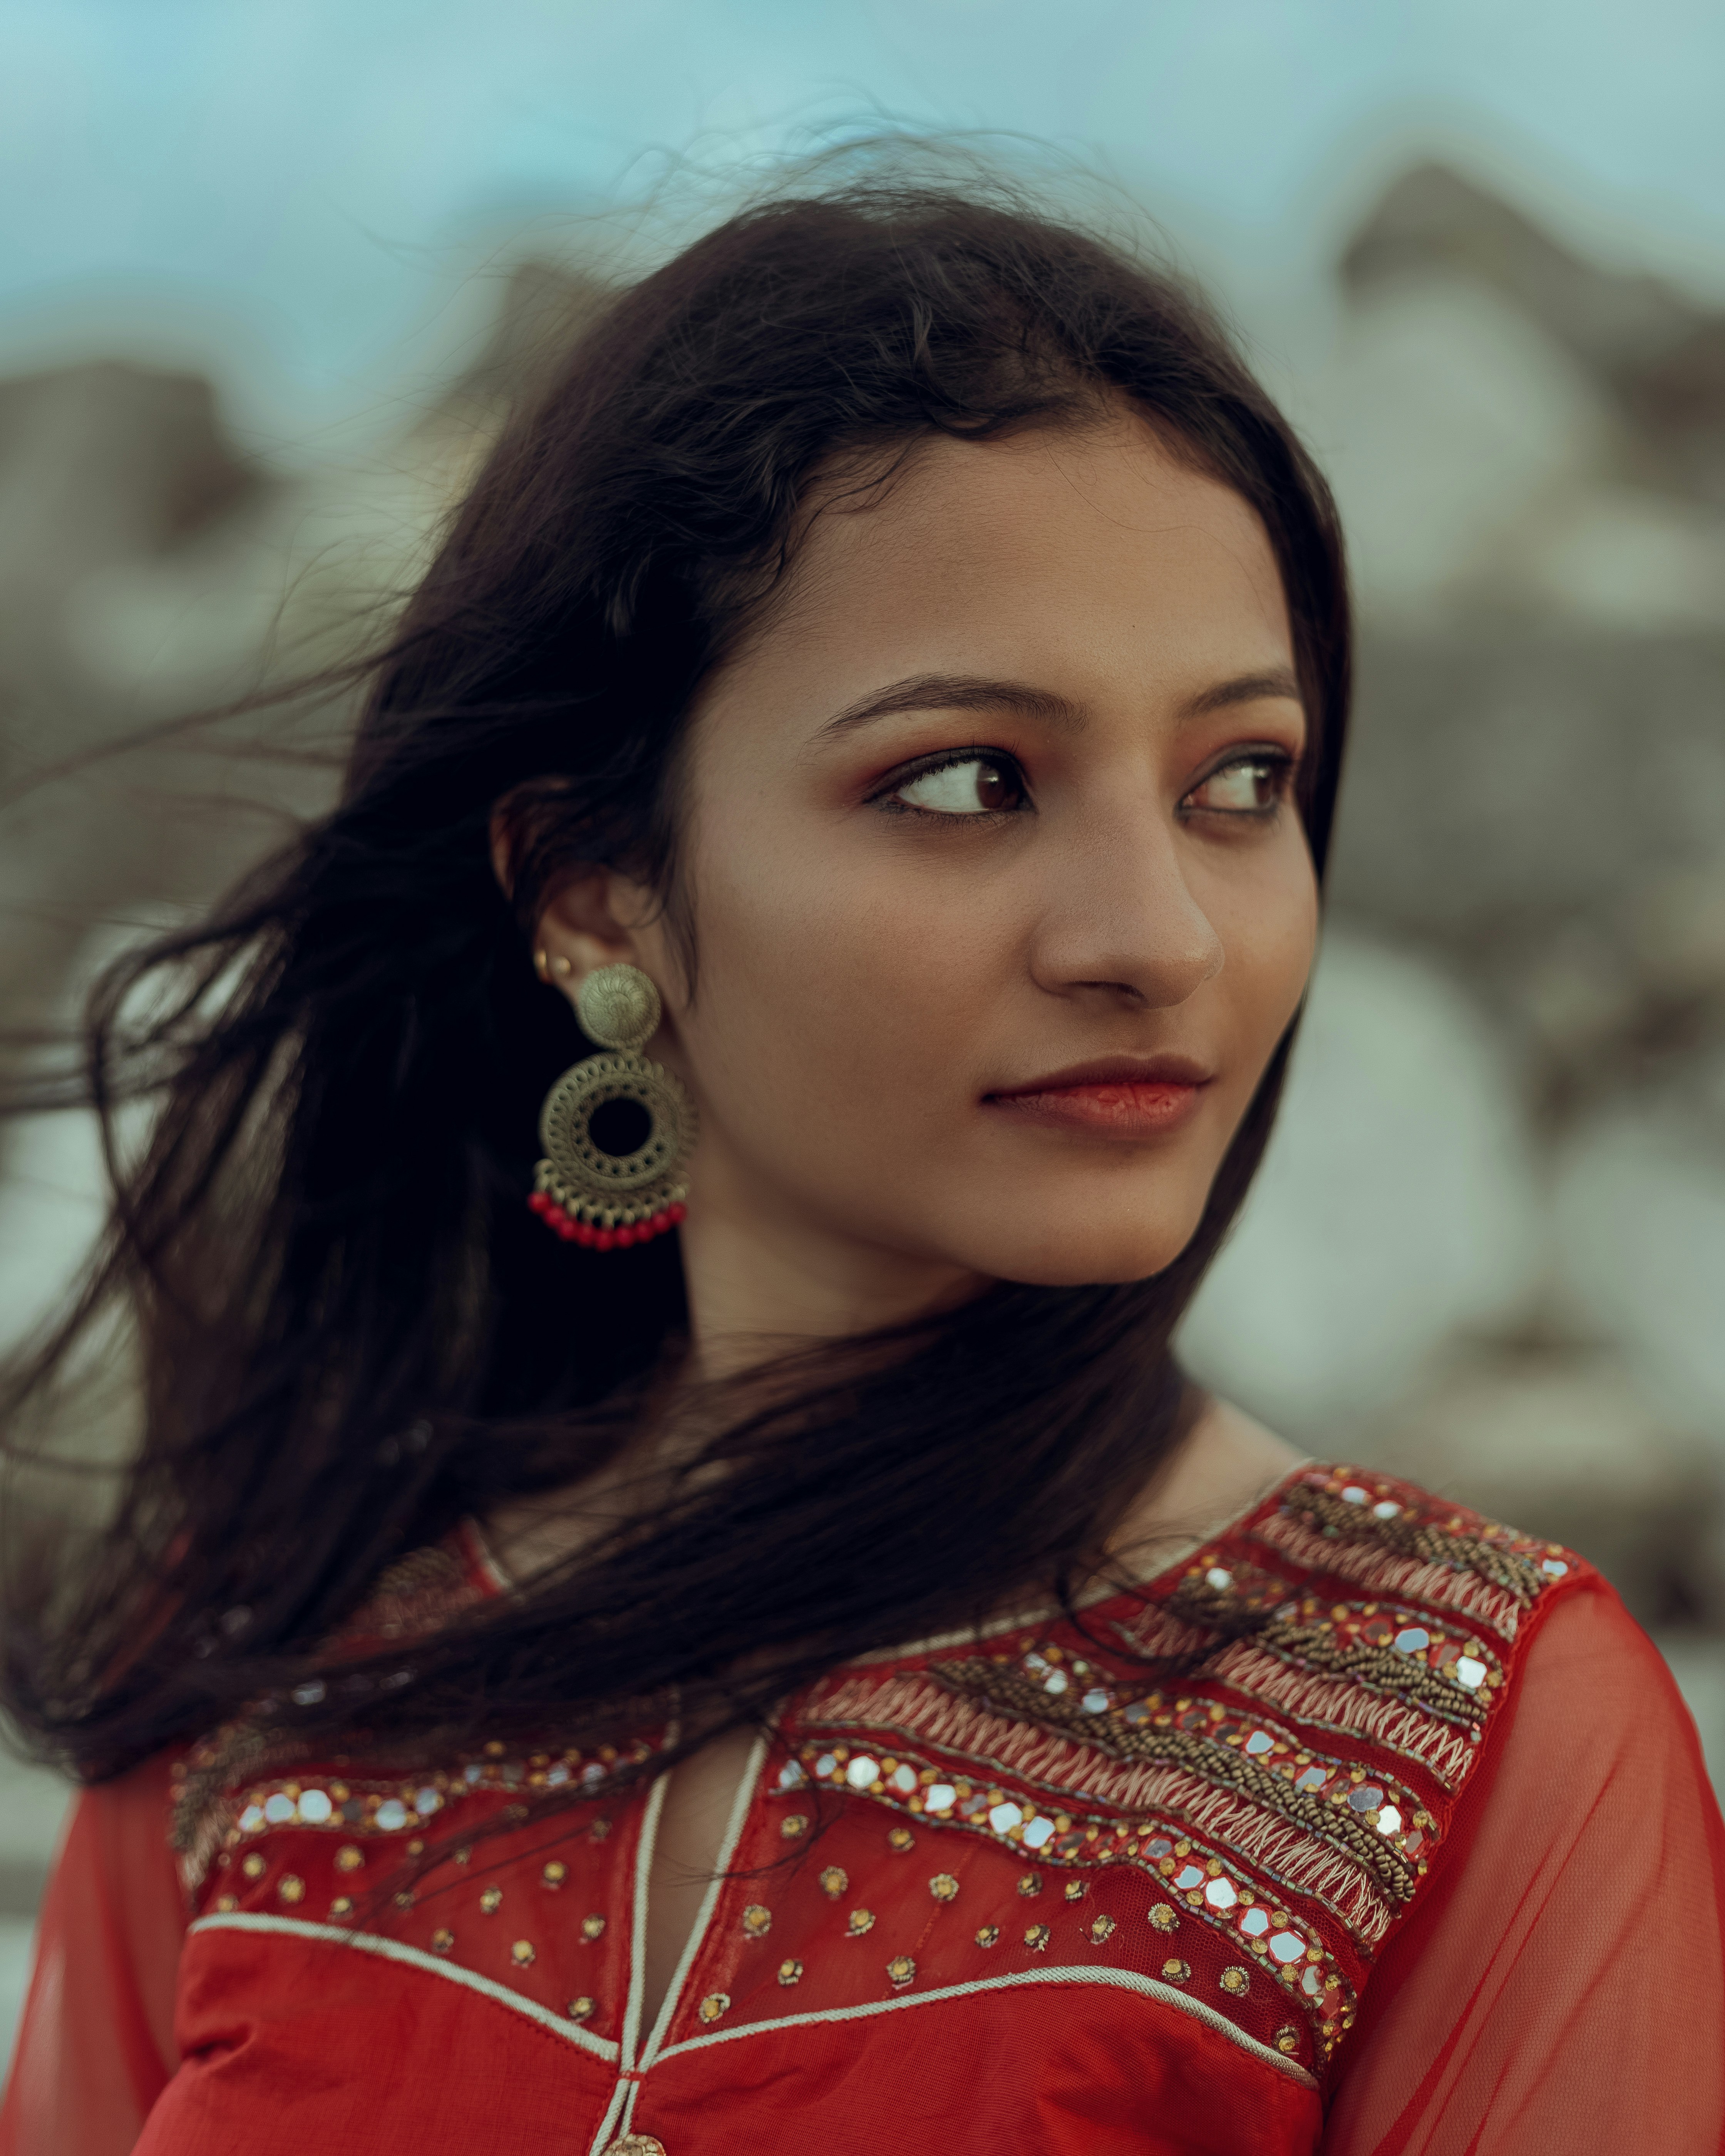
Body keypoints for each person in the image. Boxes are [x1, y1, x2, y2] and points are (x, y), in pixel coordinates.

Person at [2, 176, 1721, 2156]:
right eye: (968, 780)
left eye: (1237, 781)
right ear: (593, 892)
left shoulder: (1472, 1736)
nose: (1156, 934)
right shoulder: (270, 1669)